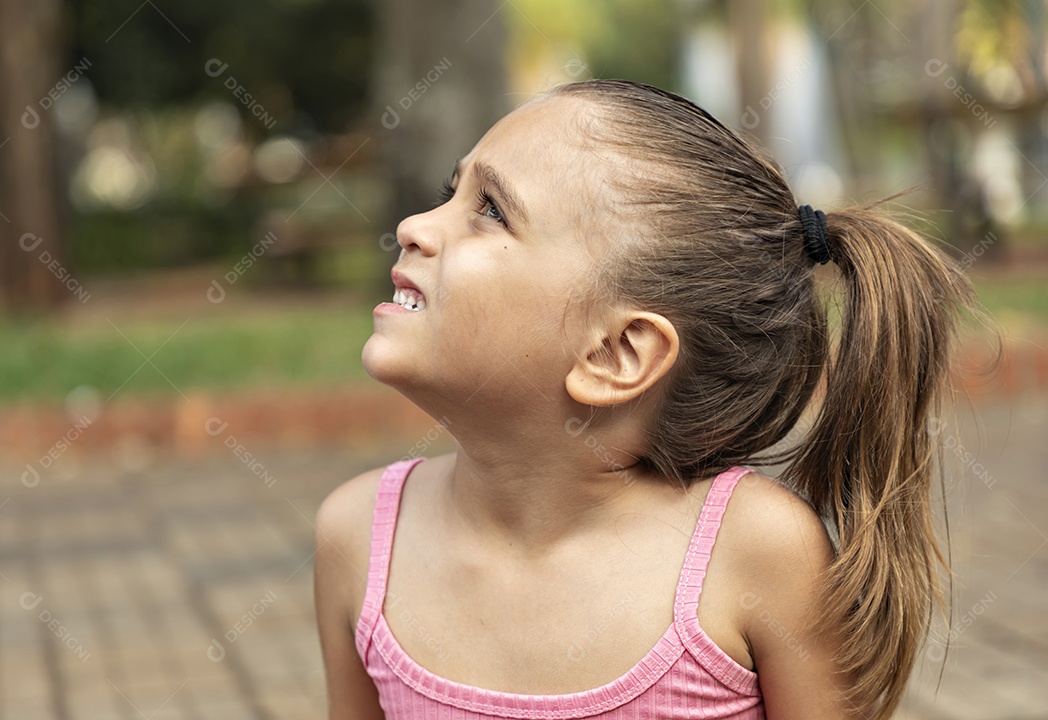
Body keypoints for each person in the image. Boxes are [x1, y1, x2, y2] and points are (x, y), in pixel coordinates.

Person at [314, 79, 974, 719]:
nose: (412, 226)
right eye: (448, 191)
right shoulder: (359, 539)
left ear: (617, 354)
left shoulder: (753, 552)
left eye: (489, 209)